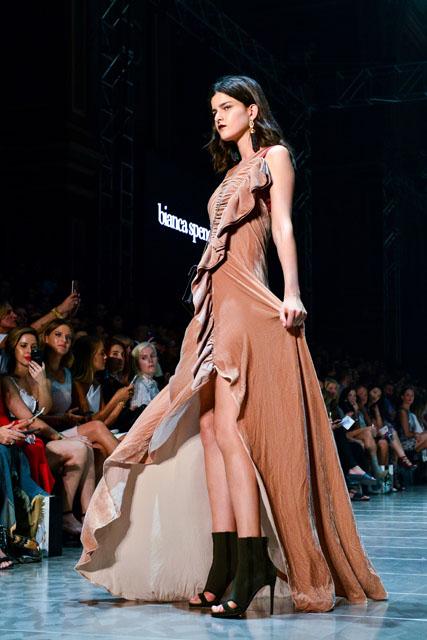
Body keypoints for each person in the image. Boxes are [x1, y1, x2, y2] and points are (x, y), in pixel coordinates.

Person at [76, 75, 386, 616]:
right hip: (213, 306)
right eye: (213, 109)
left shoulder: (275, 157)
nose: (218, 116)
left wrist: (292, 292)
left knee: (231, 429)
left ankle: (252, 559)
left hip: (246, 300)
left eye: (226, 106)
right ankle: (225, 564)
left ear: (251, 110)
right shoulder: (227, 176)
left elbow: (283, 226)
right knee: (209, 428)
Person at [1, 327, 95, 537]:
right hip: (22, 445)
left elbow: (45, 408)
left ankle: (87, 515)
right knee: (79, 448)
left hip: (39, 439)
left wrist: (42, 382)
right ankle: (65, 515)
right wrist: (59, 436)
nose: (29, 351)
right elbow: (29, 419)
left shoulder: (38, 377)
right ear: (13, 350)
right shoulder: (8, 380)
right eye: (23, 346)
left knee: (86, 447)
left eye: (33, 347)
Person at [41, 319, 120, 459]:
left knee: (104, 446)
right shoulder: (37, 371)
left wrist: (69, 419)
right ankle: (131, 466)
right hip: (46, 434)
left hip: (65, 430)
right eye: (58, 335)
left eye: (68, 337)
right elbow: (32, 416)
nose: (64, 340)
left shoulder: (67, 373)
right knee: (97, 427)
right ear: (46, 338)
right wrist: (62, 419)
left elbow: (84, 417)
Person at [70, 336, 134, 428]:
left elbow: (105, 422)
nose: (105, 357)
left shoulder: (96, 384)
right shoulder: (77, 384)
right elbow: (88, 423)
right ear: (89, 356)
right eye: (102, 353)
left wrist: (121, 400)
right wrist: (116, 399)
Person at [129, 342, 161, 409]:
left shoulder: (152, 383)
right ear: (137, 363)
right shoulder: (140, 386)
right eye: (144, 358)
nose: (150, 360)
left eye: (153, 356)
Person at [397, 386, 427, 455]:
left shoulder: (409, 412)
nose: (410, 398)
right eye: (407, 395)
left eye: (412, 395)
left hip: (412, 439)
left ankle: (415, 455)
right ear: (402, 397)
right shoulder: (402, 412)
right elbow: (407, 434)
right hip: (404, 442)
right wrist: (415, 434)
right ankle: (413, 454)